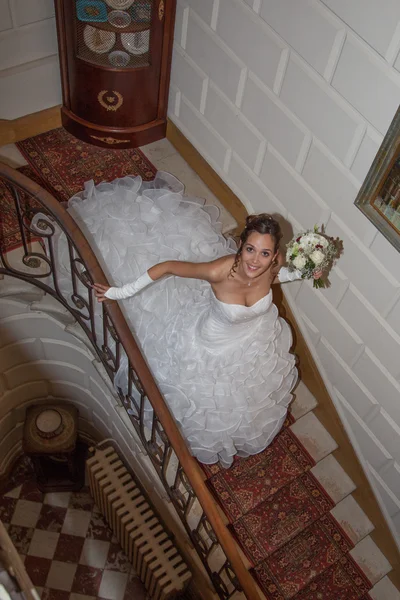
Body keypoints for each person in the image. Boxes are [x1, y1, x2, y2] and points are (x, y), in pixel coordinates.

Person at [76, 169, 313, 468]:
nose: (255, 260)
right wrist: (120, 292)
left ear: (274, 254)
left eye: (264, 254)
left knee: (242, 399)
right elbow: (167, 268)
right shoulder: (218, 271)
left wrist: (303, 272)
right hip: (207, 348)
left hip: (251, 342)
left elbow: (277, 277)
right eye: (250, 249)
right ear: (241, 245)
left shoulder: (272, 265)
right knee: (202, 401)